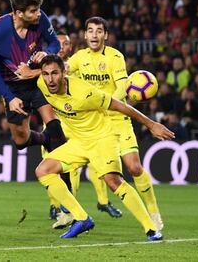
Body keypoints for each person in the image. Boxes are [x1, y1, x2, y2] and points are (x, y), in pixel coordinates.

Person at [35, 54, 175, 240]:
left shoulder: (85, 93)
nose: (50, 79)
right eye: (46, 74)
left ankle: (151, 229)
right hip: (78, 142)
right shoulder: (42, 84)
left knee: (113, 181)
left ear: (64, 73)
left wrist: (151, 125)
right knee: (43, 170)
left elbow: (120, 106)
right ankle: (81, 218)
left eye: (54, 73)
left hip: (102, 139)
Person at [67, 17, 165, 230]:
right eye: (90, 31)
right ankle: (67, 211)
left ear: (105, 35)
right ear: (85, 35)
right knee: (78, 167)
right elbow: (64, 69)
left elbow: (122, 88)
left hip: (117, 118)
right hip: (94, 124)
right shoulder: (79, 57)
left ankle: (154, 211)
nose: (94, 35)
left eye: (99, 31)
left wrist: (101, 102)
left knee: (134, 167)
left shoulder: (115, 57)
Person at [47, 32, 122, 229]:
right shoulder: (46, 69)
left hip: (82, 123)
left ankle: (100, 202)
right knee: (58, 167)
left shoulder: (75, 65)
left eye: (66, 44)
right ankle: (59, 208)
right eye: (59, 43)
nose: (63, 46)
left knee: (94, 167)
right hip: (59, 123)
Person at [0, 0, 66, 156]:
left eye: (38, 9)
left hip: (38, 80)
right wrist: (10, 98)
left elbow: (55, 43)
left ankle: (66, 181)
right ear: (19, 13)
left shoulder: (41, 19)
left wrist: (47, 52)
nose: (38, 13)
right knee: (20, 140)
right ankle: (45, 140)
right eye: (33, 11)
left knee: (55, 127)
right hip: (13, 88)